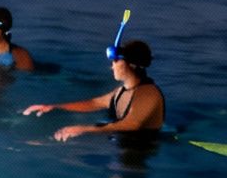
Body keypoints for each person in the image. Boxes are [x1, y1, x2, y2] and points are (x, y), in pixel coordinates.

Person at [22, 39, 164, 142]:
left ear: (132, 65)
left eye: (116, 61)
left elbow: (131, 124)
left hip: (140, 153)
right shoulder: (121, 91)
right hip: (122, 144)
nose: (112, 66)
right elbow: (94, 103)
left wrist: (84, 129)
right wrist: (54, 106)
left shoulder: (148, 93)